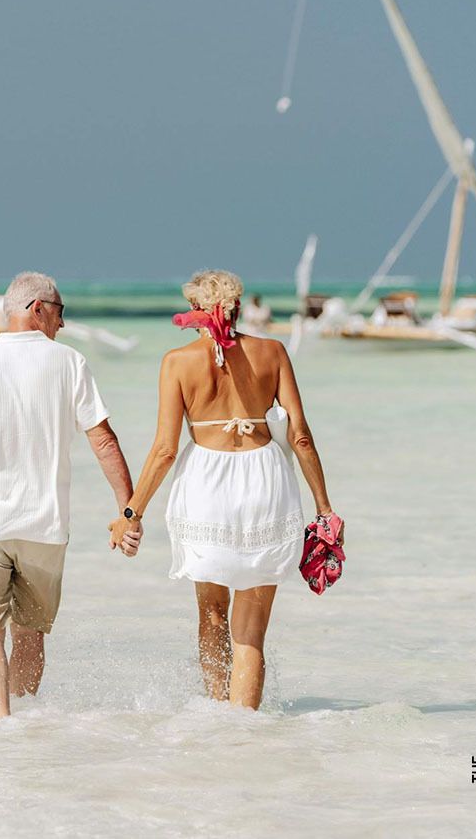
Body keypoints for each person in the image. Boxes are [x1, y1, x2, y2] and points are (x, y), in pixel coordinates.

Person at [109, 270, 341, 710]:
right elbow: (301, 436)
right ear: (236, 308)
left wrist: (130, 514)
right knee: (250, 634)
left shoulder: (177, 363)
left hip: (206, 487)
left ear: (196, 311)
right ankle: (245, 735)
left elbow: (164, 450)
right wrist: (324, 508)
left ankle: (217, 720)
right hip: (265, 484)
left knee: (212, 614)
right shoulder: (273, 352)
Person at [0, 272, 142, 720]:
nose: (62, 325)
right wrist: (129, 510)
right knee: (30, 634)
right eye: (60, 313)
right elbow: (104, 441)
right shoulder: (70, 363)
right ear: (38, 309)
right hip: (43, 531)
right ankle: (24, 723)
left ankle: (2, 724)